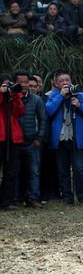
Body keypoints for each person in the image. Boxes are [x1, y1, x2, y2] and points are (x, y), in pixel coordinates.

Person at [45, 70, 83, 205]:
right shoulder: (53, 96)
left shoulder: (80, 95)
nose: (65, 83)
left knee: (79, 168)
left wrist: (79, 105)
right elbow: (48, 111)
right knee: (62, 169)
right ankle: (66, 196)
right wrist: (60, 97)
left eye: (67, 80)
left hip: (76, 138)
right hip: (60, 139)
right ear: (55, 83)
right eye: (61, 81)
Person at [15, 70, 46, 208]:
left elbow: (43, 120)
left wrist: (39, 138)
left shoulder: (36, 100)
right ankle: (14, 198)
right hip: (15, 142)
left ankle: (33, 198)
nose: (23, 85)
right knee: (15, 172)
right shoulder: (11, 98)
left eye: (26, 82)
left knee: (34, 172)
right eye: (20, 82)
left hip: (31, 142)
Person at [0, 76, 25, 210]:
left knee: (11, 171)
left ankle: (6, 201)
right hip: (1, 137)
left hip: (13, 138)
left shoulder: (14, 97)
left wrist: (14, 96)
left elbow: (20, 112)